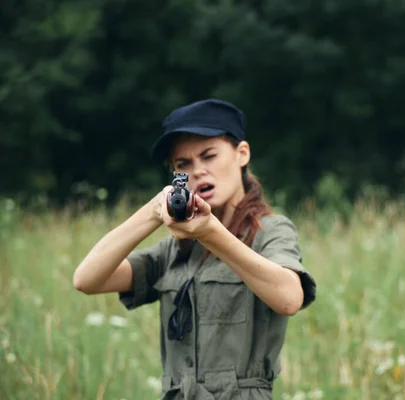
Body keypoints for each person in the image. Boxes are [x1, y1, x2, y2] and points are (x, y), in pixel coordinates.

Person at [72, 99, 317, 400]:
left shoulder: (270, 231)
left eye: (209, 156)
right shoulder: (174, 251)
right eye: (183, 165)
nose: (198, 171)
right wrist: (153, 212)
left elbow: (290, 298)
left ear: (242, 154)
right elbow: (86, 279)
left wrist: (211, 233)